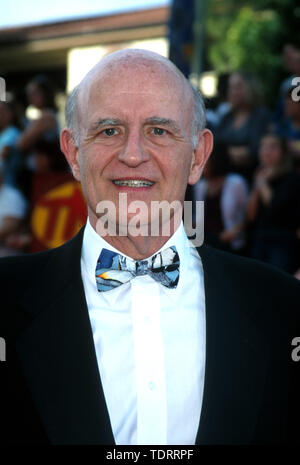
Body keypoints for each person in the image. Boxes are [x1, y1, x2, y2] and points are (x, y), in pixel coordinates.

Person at [0, 49, 300, 446]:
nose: (133, 154)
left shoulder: (284, 308)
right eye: (109, 130)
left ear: (198, 157)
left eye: (160, 130)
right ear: (73, 153)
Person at [248, 133, 300, 273]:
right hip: (259, 237)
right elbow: (251, 216)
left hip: (281, 240)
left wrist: (262, 183)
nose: (266, 151)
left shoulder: (292, 177)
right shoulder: (259, 174)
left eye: (272, 147)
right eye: (263, 147)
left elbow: (277, 209)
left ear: (283, 152)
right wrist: (257, 186)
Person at [192, 142, 248, 253]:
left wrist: (233, 232)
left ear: (217, 160)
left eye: (205, 160)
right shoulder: (200, 186)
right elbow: (197, 218)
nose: (199, 164)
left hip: (230, 244)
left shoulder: (236, 183)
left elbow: (248, 216)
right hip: (206, 243)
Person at [215, 71, 270, 180]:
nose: (233, 92)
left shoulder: (260, 116)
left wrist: (223, 154)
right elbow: (215, 148)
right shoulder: (226, 117)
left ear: (250, 88)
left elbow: (254, 152)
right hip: (223, 179)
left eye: (238, 87)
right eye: (231, 87)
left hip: (249, 178)